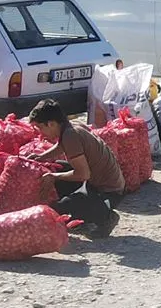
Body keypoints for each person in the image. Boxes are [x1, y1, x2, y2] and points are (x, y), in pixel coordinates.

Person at [27, 97, 123, 238]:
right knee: (58, 167)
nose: (40, 132)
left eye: (40, 127)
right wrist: (40, 157)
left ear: (51, 124)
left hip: (109, 191)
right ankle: (84, 211)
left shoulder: (70, 135)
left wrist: (53, 177)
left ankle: (105, 216)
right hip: (94, 182)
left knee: (56, 210)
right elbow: (60, 147)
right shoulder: (69, 128)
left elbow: (83, 174)